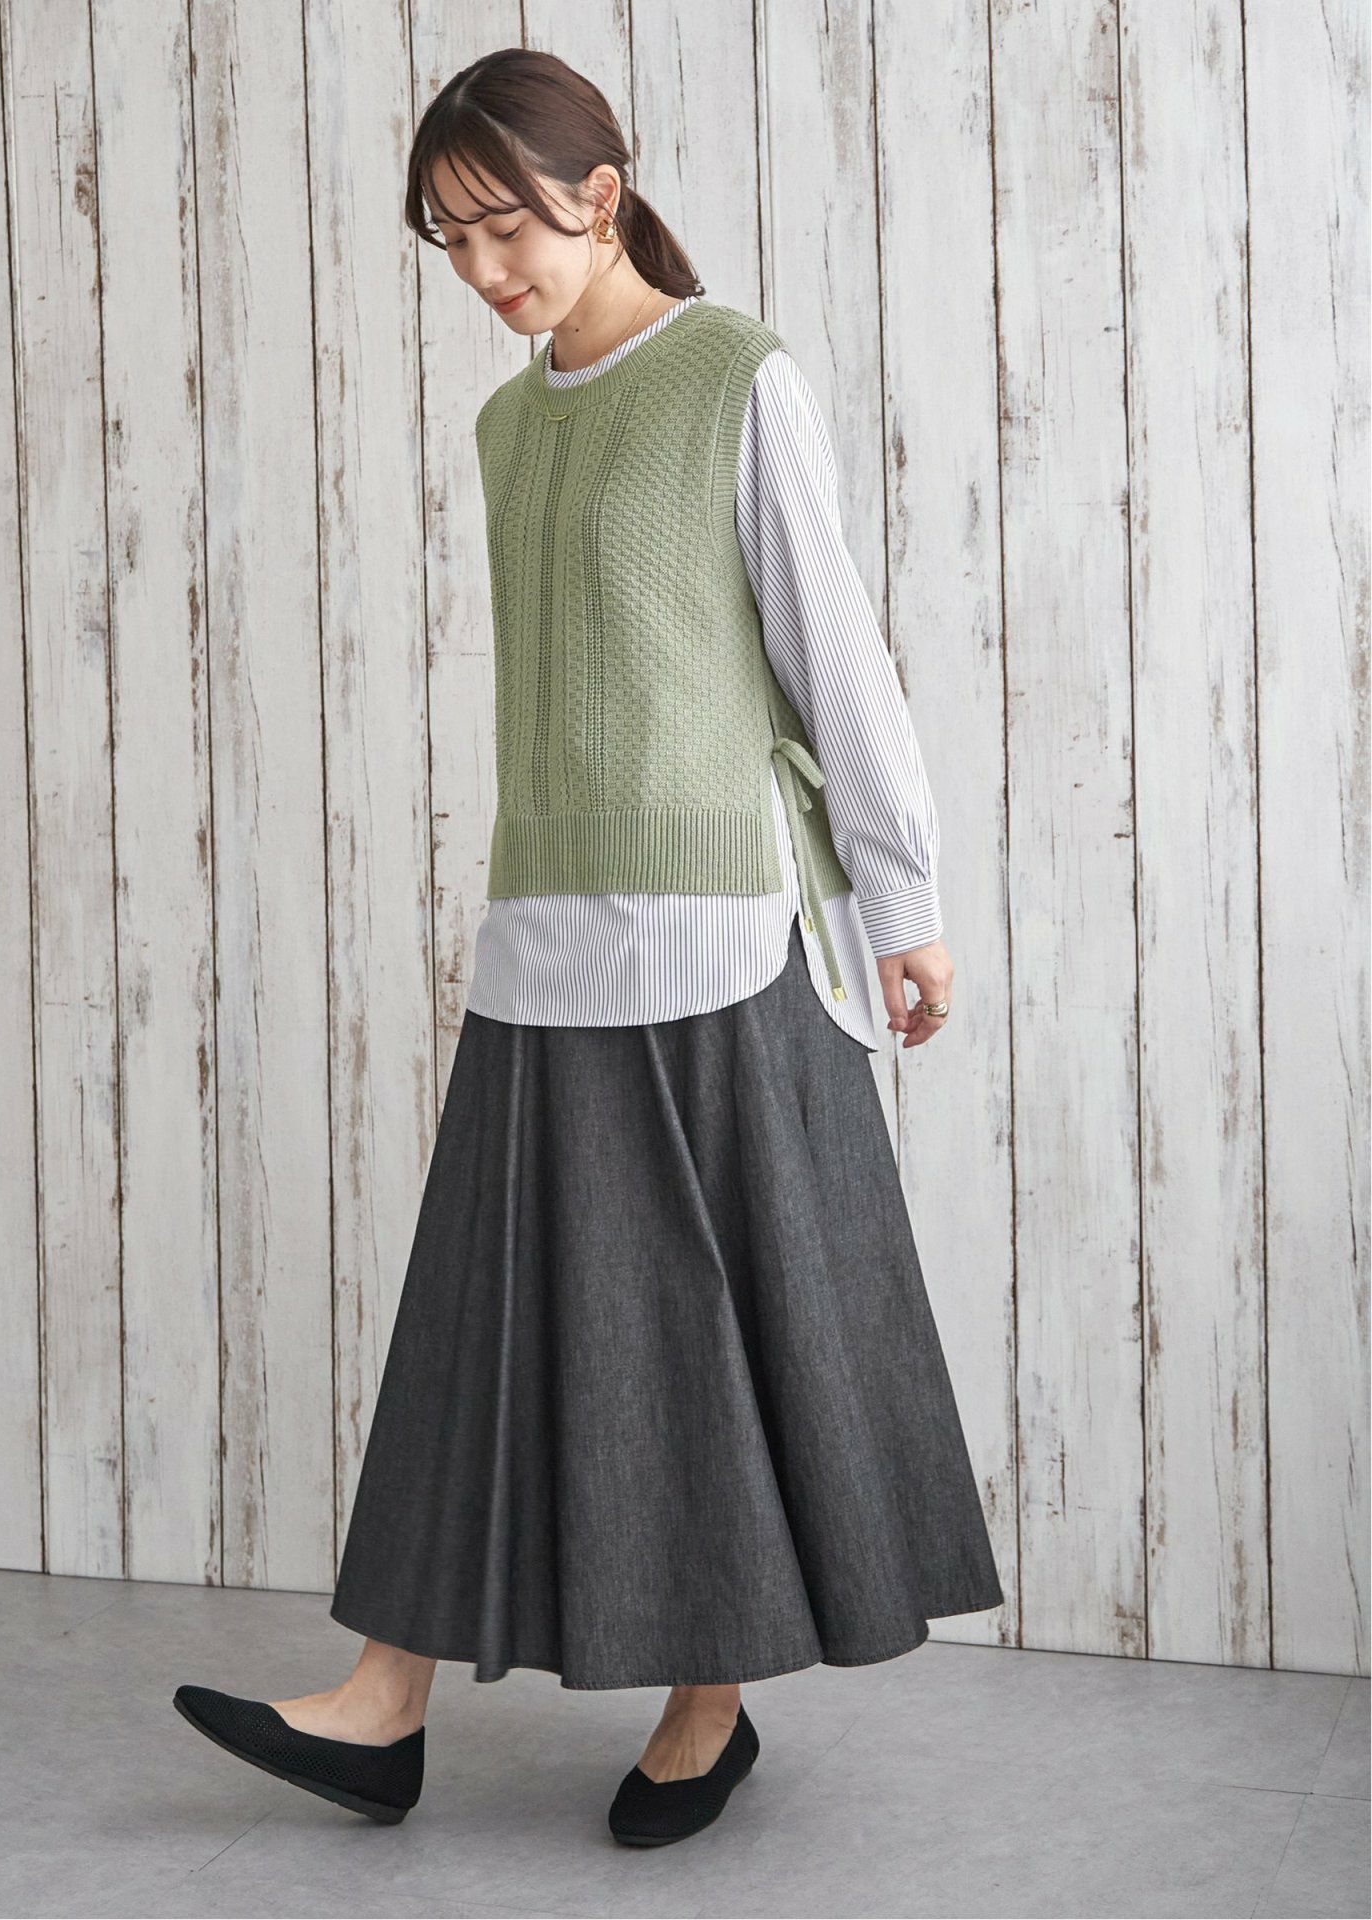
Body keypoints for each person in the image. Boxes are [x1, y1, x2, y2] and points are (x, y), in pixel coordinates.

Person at [174, 46, 1003, 1848]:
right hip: (542, 928)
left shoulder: (732, 377)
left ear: (599, 197)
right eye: (452, 242)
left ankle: (707, 1706)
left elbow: (834, 657)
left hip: (720, 934)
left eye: (506, 230)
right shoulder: (511, 427)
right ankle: (382, 1702)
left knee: (699, 1334)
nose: (484, 272)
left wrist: (905, 905)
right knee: (479, 1324)